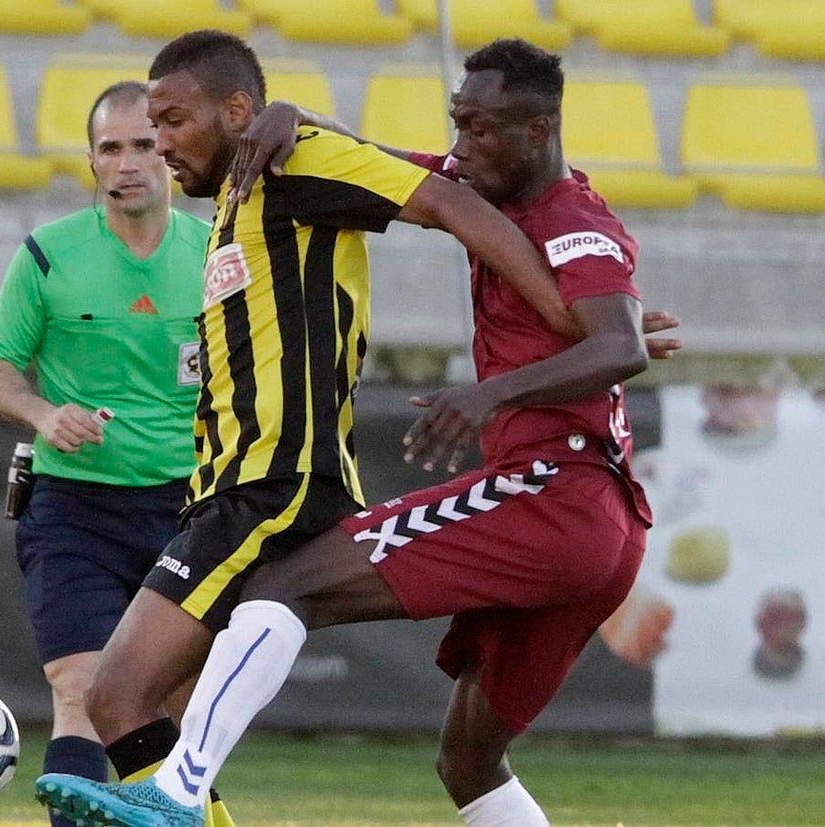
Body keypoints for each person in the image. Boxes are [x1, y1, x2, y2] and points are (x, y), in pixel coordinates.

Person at [35, 31, 677, 827]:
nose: (460, 145)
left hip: (551, 492)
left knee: (265, 598)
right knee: (469, 761)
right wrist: (292, 111)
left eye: (479, 129)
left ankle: (178, 789)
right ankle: (176, 791)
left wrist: (504, 382)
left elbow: (619, 345)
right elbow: (375, 156)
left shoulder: (571, 214)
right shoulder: (468, 176)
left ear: (537, 131)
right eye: (457, 123)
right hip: (597, 524)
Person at [0, 81, 219, 827]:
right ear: (91, 161)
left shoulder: (219, 256)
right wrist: (45, 413)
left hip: (189, 513)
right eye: (111, 148)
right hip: (73, 508)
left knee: (174, 714)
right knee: (81, 690)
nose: (129, 162)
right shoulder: (49, 256)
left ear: (170, 153)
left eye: (144, 144)